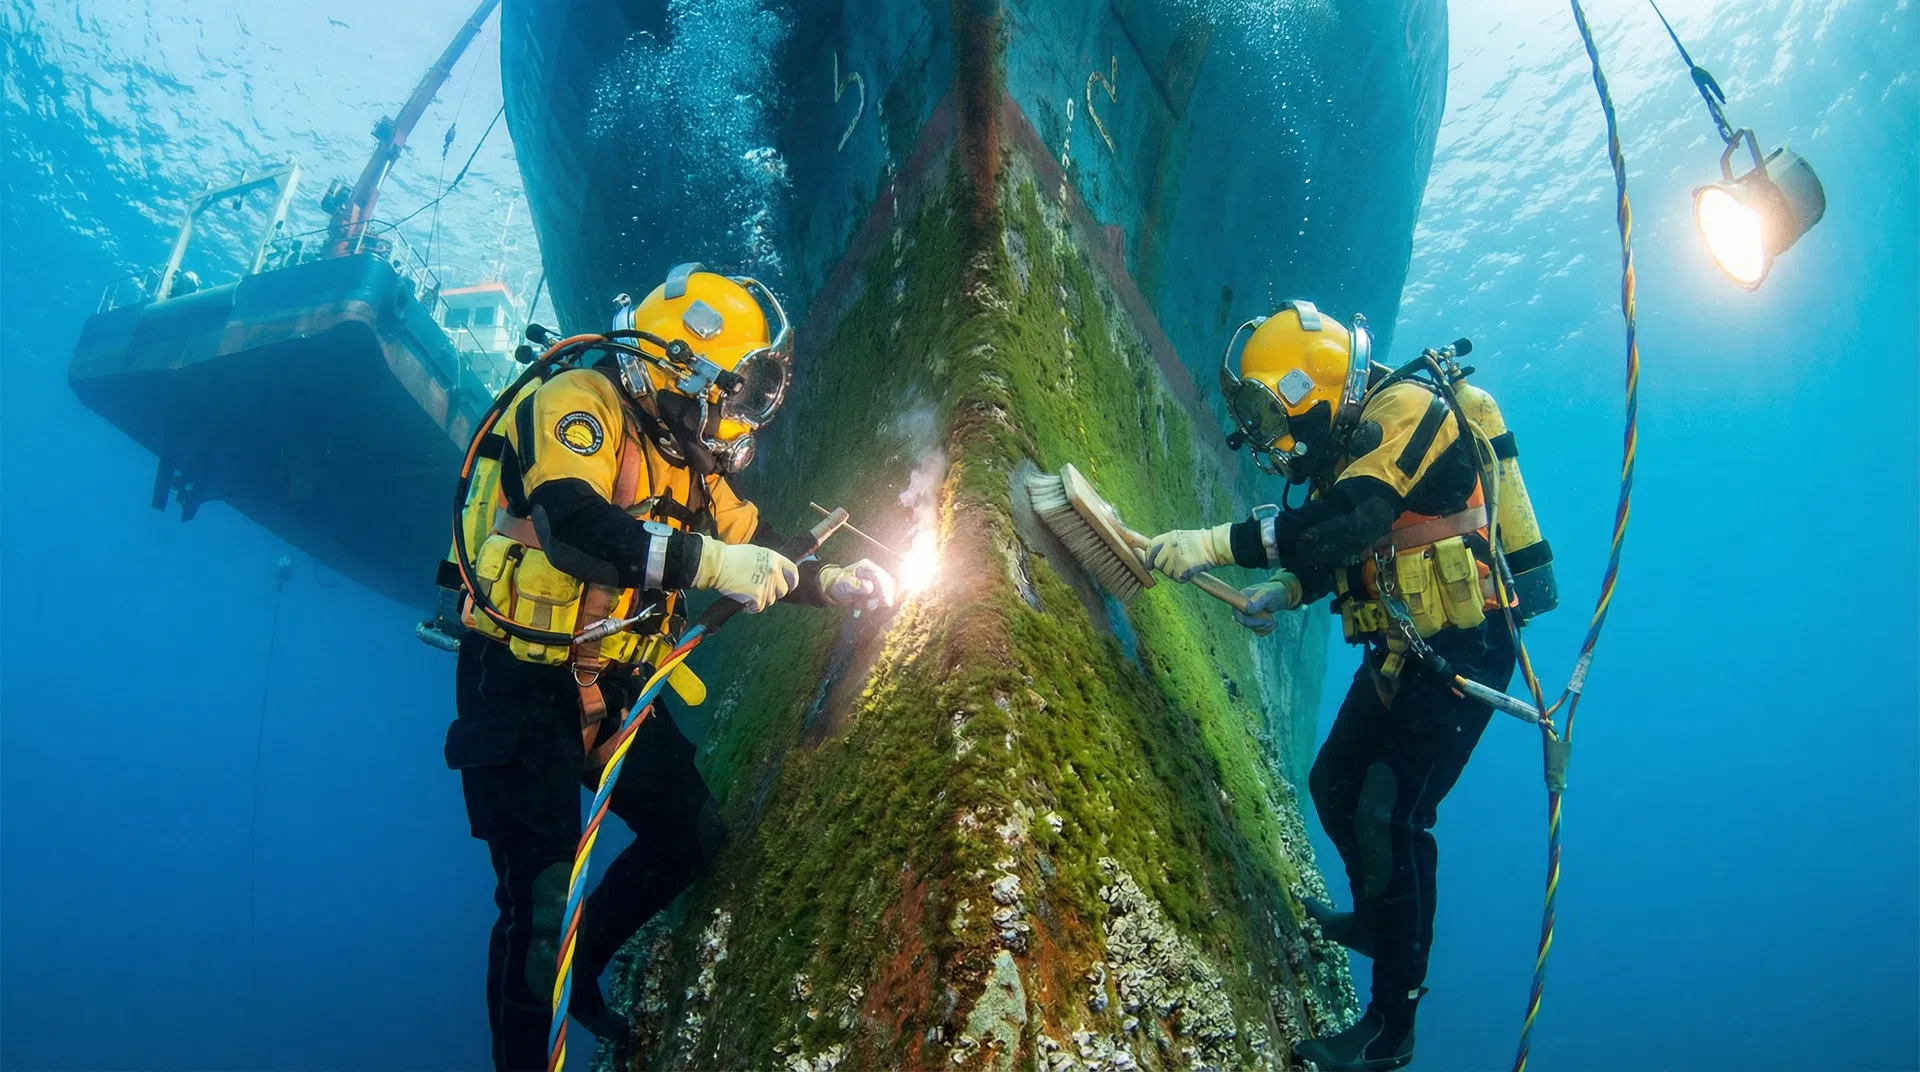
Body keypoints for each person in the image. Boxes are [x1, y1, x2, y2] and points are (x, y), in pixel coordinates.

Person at [442, 263, 896, 1071]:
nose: (744, 418)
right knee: (540, 908)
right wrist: (711, 564)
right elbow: (574, 524)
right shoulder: (575, 403)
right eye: (743, 391)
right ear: (685, 366)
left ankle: (584, 973)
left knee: (693, 835)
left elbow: (758, 548)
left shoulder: (693, 459)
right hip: (517, 682)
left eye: (760, 397)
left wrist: (831, 581)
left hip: (619, 682)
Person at [1142, 300, 1552, 1071]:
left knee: (1390, 816)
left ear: (1312, 385)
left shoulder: (1409, 411)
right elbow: (1345, 553)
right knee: (1334, 783)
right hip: (1406, 647)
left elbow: (1353, 521)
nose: (1273, 436)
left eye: (1273, 411)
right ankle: (1378, 915)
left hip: (1467, 646)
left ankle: (1392, 1031)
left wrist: (1211, 545)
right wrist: (1288, 592)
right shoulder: (1350, 447)